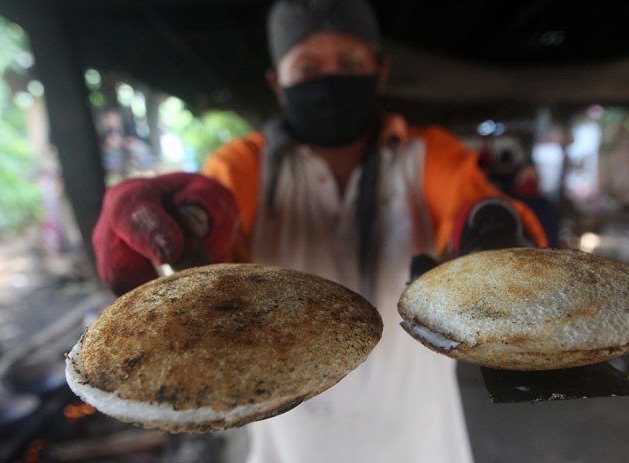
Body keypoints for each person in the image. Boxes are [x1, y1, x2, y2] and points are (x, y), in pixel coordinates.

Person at [92, 1, 548, 462]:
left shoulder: (428, 155)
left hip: (420, 441)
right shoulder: (247, 164)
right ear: (278, 83)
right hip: (292, 447)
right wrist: (185, 218)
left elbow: (468, 200)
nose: (330, 81)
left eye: (349, 63)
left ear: (380, 72)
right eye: (307, 68)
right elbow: (218, 209)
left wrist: (491, 226)